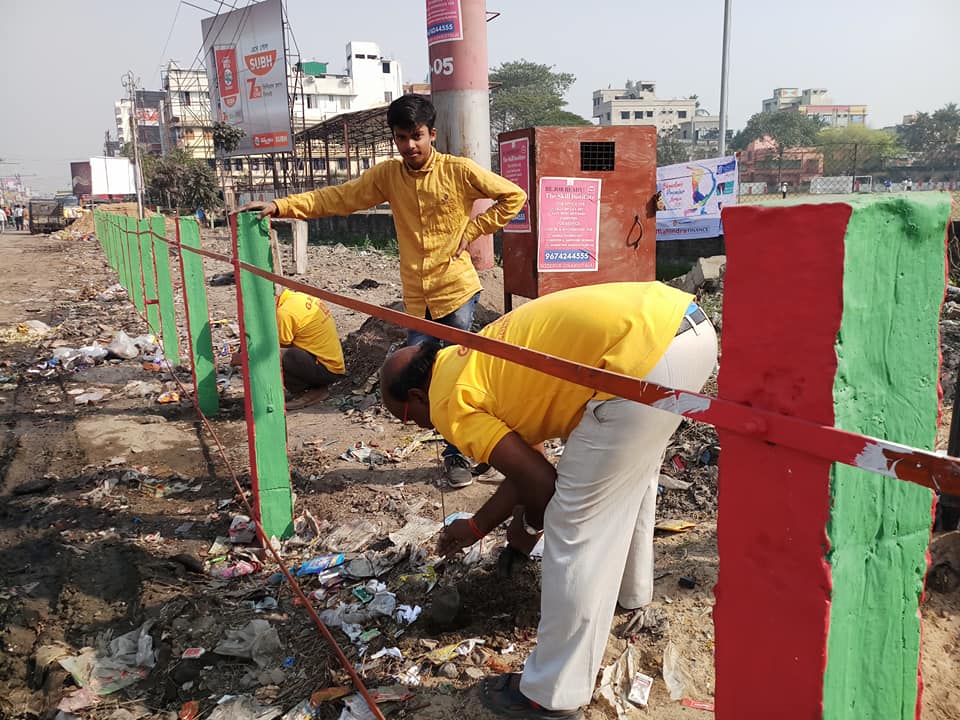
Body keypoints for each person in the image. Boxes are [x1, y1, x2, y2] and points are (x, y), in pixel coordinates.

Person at [379, 282, 718, 719]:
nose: (421, 427)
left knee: (575, 523)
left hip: (639, 359)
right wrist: (481, 527)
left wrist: (527, 530)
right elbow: (526, 462)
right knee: (629, 472)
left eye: (409, 419)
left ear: (416, 397)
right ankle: (630, 594)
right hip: (686, 330)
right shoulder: (466, 356)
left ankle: (551, 695)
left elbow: (541, 484)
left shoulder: (448, 403)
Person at [238, 94, 526, 487]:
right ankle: (462, 446)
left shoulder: (458, 170)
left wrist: (474, 229)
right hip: (416, 298)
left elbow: (514, 195)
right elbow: (338, 197)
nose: (409, 146)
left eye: (416, 136)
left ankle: (465, 451)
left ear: (432, 134)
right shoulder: (388, 175)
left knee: (458, 372)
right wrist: (281, 206)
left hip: (456, 290)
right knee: (421, 379)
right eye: (401, 138)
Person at [232, 289, 345, 410]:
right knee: (281, 354)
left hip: (325, 370)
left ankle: (309, 391)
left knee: (277, 356)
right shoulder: (296, 297)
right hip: (331, 364)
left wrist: (248, 357)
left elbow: (275, 348)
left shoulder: (284, 313)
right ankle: (310, 387)